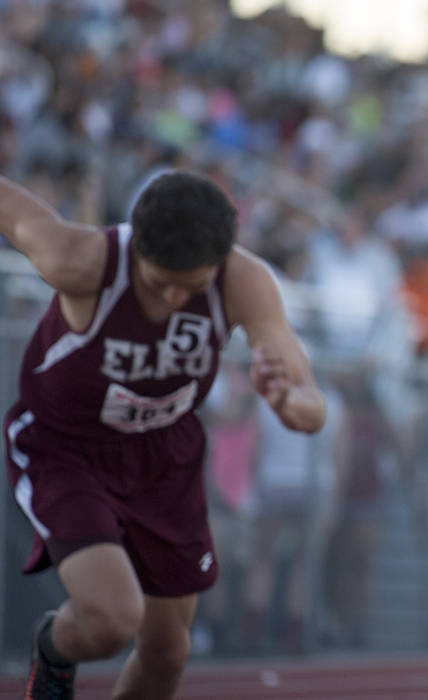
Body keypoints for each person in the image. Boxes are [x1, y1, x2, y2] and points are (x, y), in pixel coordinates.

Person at [0, 169, 327, 700]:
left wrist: (288, 399)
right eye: (158, 283)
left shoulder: (244, 282)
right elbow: (12, 207)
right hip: (67, 448)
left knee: (168, 653)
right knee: (111, 620)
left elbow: (313, 411)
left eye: (192, 286)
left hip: (163, 459)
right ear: (134, 248)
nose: (175, 298)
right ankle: (54, 648)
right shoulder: (79, 259)